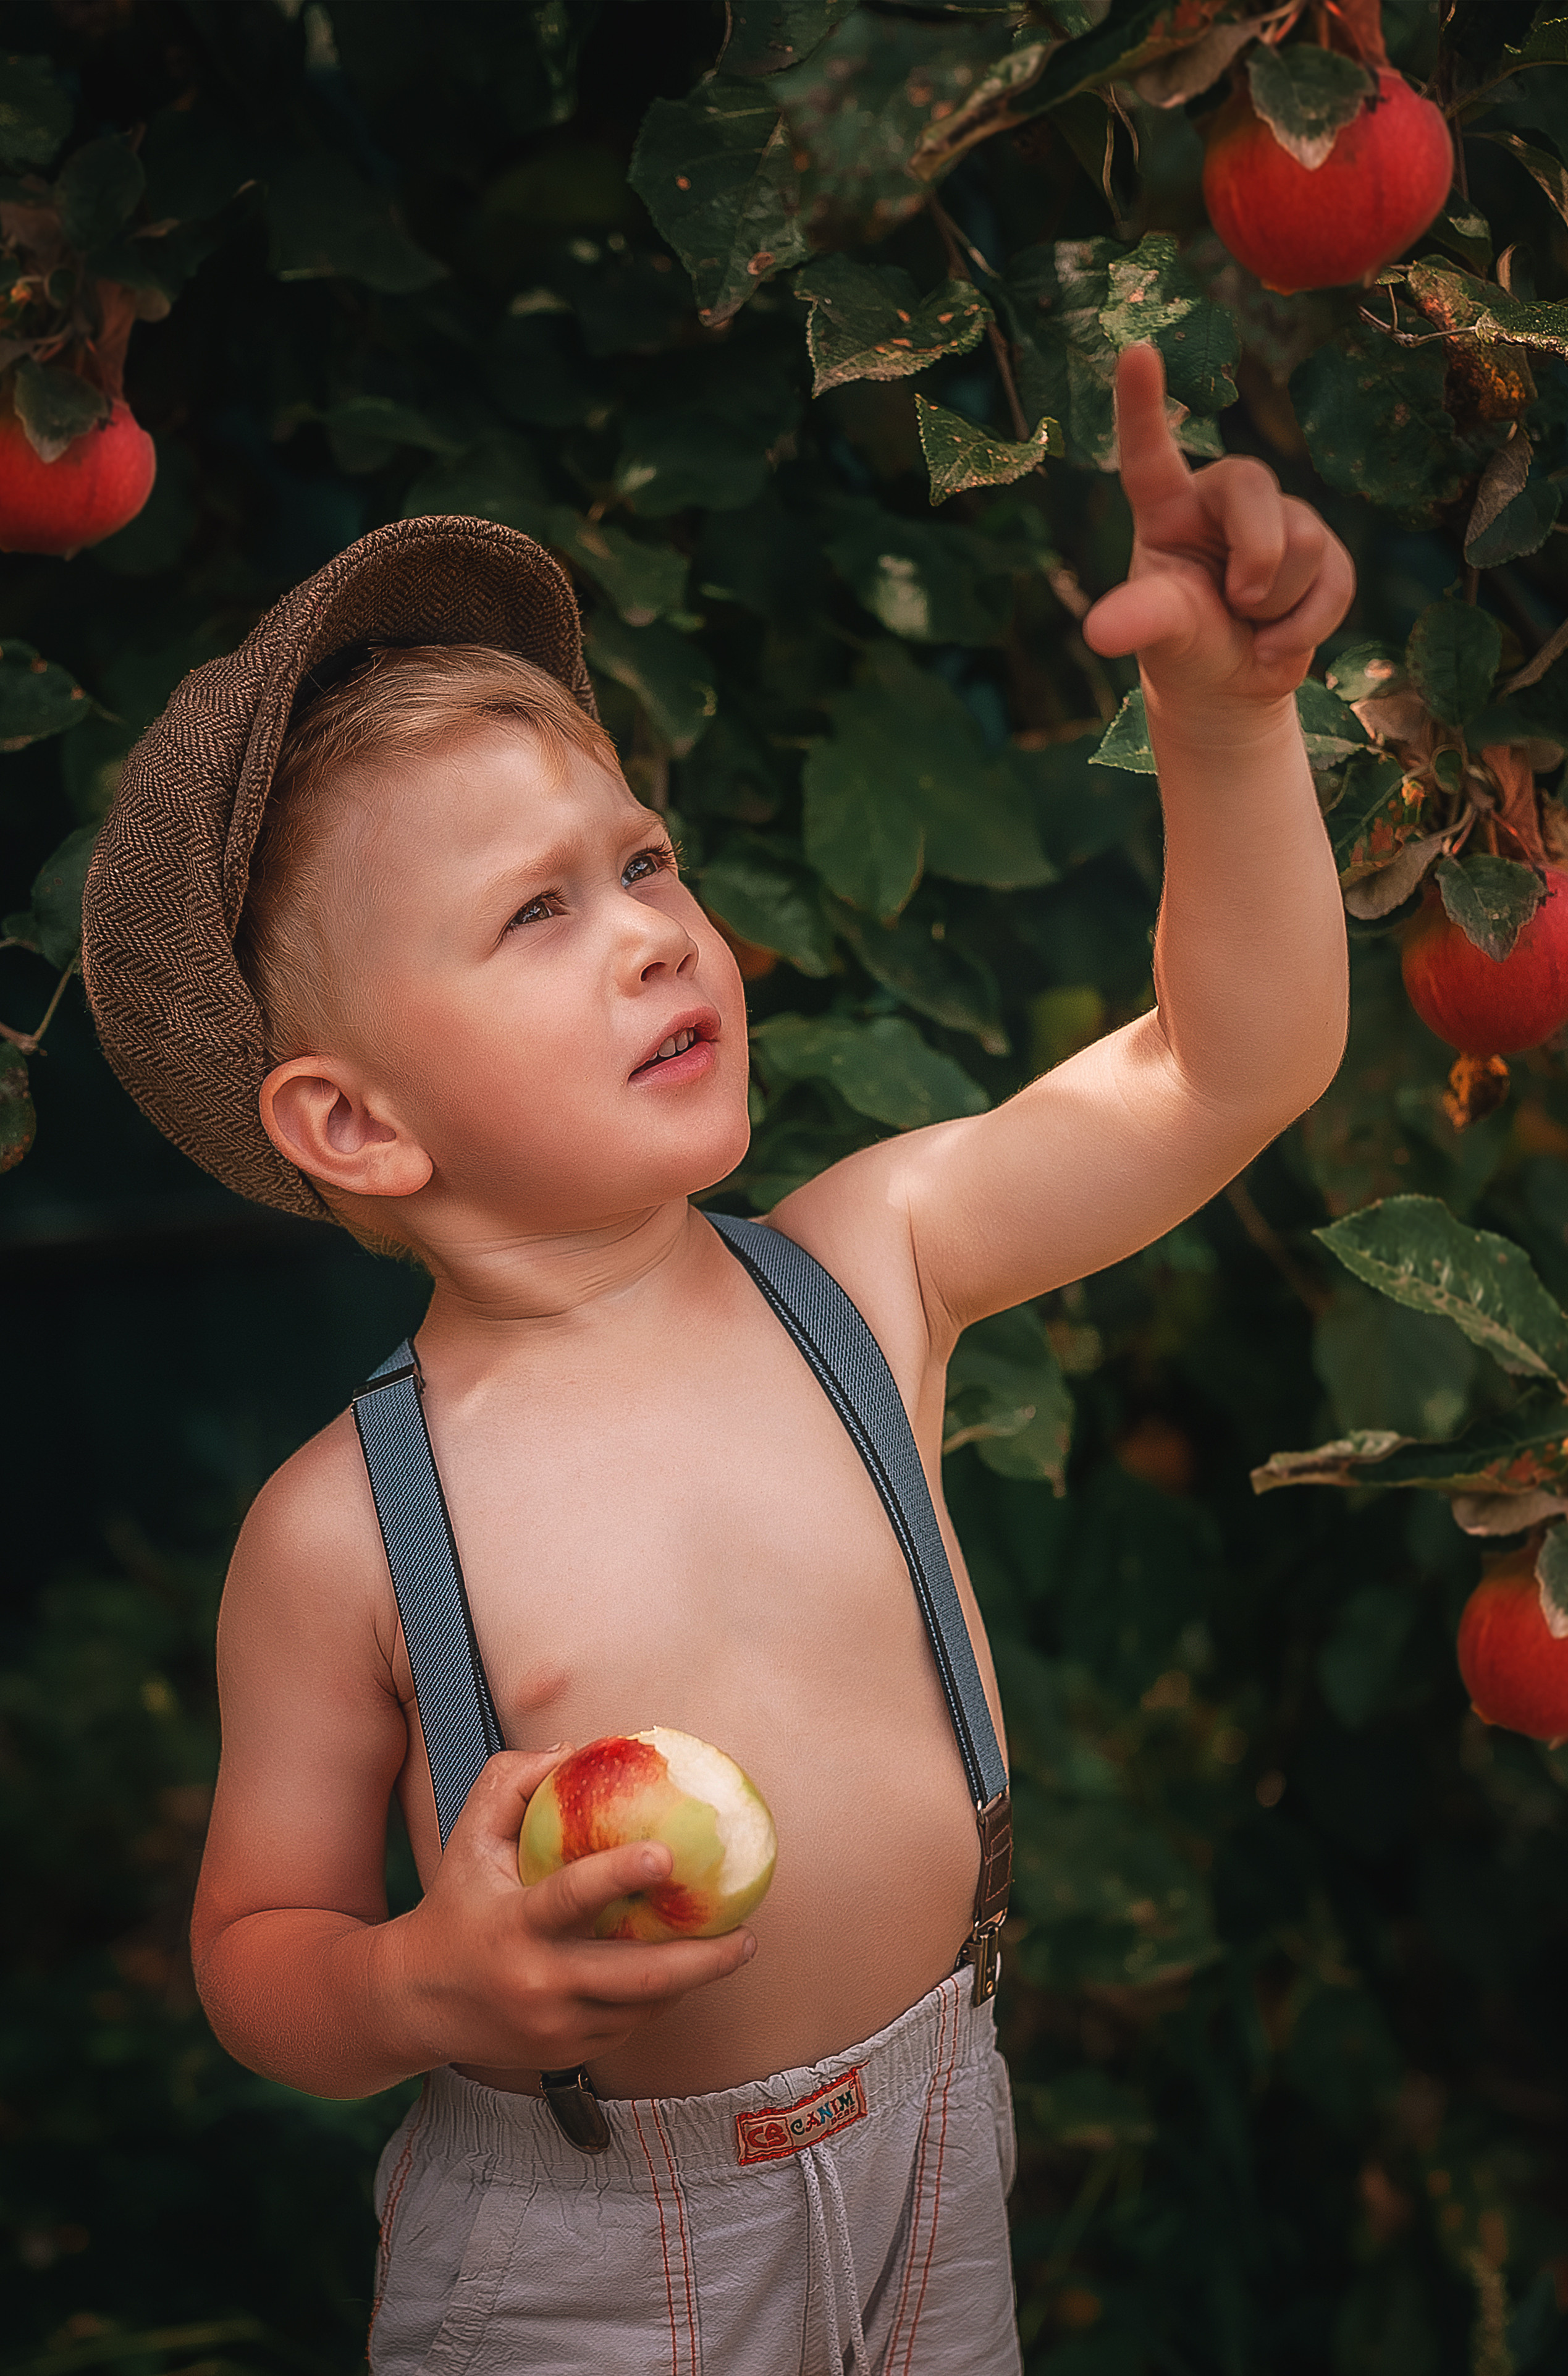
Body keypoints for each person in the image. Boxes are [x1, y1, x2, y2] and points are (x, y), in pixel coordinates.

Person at [79, 343, 1352, 2375]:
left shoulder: (867, 1269)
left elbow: (1227, 1068)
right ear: (357, 1127)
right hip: (582, 2258)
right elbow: (258, 1952)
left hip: (938, 2152)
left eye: (648, 862)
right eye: (540, 915)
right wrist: (420, 1990)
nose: (659, 933)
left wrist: (1226, 720)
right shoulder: (341, 1532)